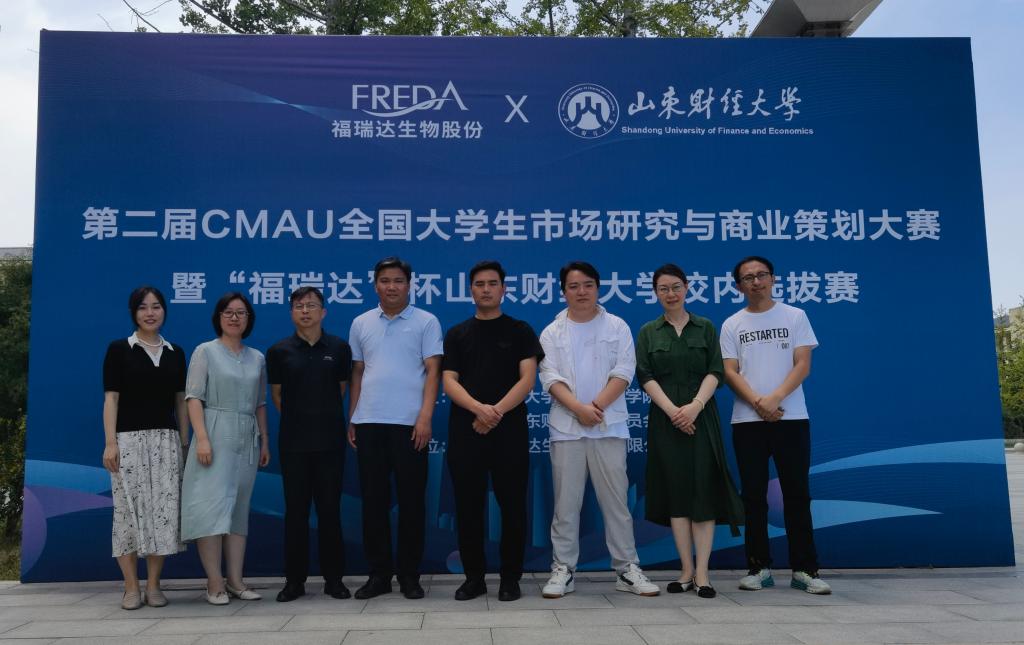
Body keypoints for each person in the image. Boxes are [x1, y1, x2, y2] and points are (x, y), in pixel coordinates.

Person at [538, 261, 660, 598]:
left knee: (617, 503)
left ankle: (627, 568)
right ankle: (563, 569)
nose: (581, 292)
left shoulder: (617, 326)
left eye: (588, 285)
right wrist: (579, 410)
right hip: (567, 428)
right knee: (566, 505)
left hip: (609, 427)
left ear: (598, 288)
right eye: (574, 286)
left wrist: (596, 407)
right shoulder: (551, 332)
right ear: (563, 291)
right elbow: (549, 377)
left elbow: (624, 370)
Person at [720, 256, 831, 595]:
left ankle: (805, 570)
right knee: (753, 497)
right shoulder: (732, 324)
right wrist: (758, 402)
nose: (756, 282)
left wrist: (775, 398)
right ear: (739, 286)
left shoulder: (795, 316)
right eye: (748, 278)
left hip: (791, 418)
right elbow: (730, 371)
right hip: (747, 421)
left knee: (797, 494)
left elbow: (803, 364)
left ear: (772, 279)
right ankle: (759, 567)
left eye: (761, 275)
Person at [636, 264, 743, 599]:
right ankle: (685, 570)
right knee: (677, 492)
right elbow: (645, 375)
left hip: (702, 418)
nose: (671, 294)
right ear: (655, 293)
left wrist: (694, 406)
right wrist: (673, 412)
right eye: (663, 289)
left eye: (676, 287)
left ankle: (703, 573)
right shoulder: (649, 332)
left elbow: (716, 370)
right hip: (665, 421)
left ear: (687, 288)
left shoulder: (705, 327)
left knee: (703, 492)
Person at [442, 260, 543, 602]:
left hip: (509, 431)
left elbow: (527, 380)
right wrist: (479, 409)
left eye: (492, 283)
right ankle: (474, 578)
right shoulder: (457, 334)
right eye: (479, 284)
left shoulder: (520, 330)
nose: (486, 289)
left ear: (504, 289)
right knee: (468, 508)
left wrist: (495, 411)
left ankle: (510, 578)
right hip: (466, 430)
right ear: (471, 290)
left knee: (513, 507)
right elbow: (448, 381)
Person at [347, 257, 443, 600]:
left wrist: (425, 417)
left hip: (410, 425)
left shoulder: (426, 321)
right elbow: (358, 372)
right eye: (385, 280)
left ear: (409, 284)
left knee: (412, 503)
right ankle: (379, 575)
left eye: (398, 280)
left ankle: (409, 576)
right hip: (369, 422)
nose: (391, 286)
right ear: (375, 285)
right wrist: (353, 416)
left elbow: (433, 371)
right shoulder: (361, 323)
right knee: (373, 502)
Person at [181, 292, 270, 605]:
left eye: (241, 313)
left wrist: (264, 439)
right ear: (218, 317)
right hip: (215, 432)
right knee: (212, 507)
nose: (235, 318)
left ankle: (235, 580)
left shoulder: (257, 358)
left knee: (238, 510)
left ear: (249, 319)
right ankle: (214, 581)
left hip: (247, 436)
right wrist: (202, 438)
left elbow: (260, 402)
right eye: (228, 312)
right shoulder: (205, 351)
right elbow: (193, 397)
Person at [102, 286, 188, 610]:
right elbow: (111, 399)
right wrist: (110, 443)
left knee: (161, 515)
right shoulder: (119, 350)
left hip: (166, 442)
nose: (150, 313)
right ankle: (130, 587)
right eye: (143, 307)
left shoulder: (176, 352)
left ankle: (153, 585)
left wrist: (184, 443)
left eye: (156, 306)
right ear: (133, 313)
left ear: (164, 310)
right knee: (126, 515)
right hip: (127, 442)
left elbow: (181, 401)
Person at [267, 287, 352, 602]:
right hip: (294, 444)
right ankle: (294, 582)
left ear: (323, 312)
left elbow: (341, 388)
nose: (305, 311)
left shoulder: (339, 348)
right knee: (296, 514)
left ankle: (334, 580)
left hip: (330, 443)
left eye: (312, 305)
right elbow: (277, 396)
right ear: (291, 313)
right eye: (299, 306)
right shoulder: (279, 351)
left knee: (330, 512)